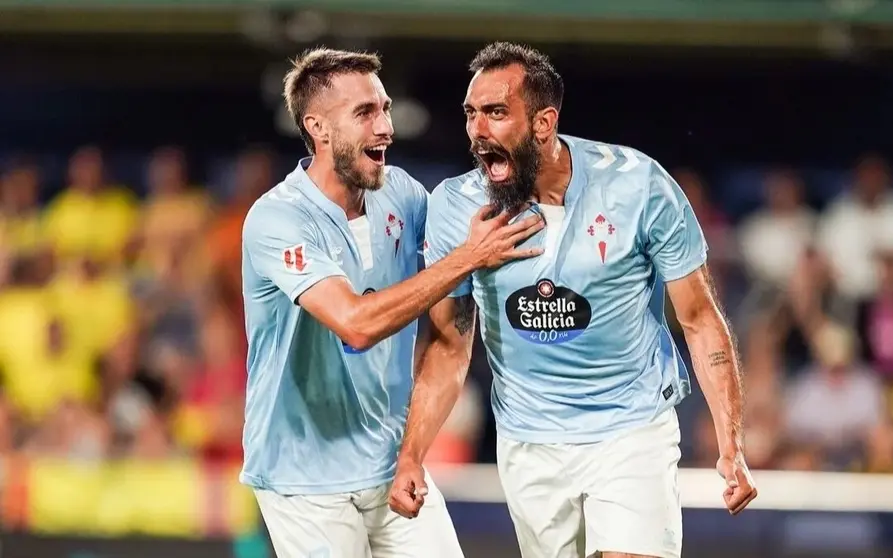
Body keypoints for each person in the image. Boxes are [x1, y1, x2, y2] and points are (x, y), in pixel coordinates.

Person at [389, 42, 757, 558]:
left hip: (631, 430)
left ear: (544, 123)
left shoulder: (638, 185)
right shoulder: (457, 207)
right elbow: (450, 344)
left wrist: (731, 443)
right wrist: (411, 455)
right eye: (471, 114)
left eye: (496, 112)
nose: (478, 130)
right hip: (529, 441)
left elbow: (698, 317)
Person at [239, 47, 544, 558]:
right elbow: (356, 323)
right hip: (303, 477)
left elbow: (458, 272)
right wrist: (467, 258)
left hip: (390, 462)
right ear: (317, 127)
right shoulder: (278, 220)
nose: (385, 127)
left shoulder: (402, 193)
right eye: (364, 113)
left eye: (385, 109)